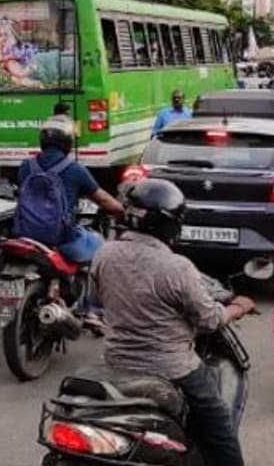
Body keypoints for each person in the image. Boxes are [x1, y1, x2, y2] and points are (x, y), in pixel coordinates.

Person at [92, 179, 254, 466]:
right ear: (169, 225)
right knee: (219, 430)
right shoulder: (176, 267)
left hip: (115, 364)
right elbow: (210, 319)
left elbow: (97, 298)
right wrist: (238, 307)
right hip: (171, 369)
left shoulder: (104, 254)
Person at [14, 119, 125, 263]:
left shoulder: (26, 166)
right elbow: (103, 200)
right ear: (68, 142)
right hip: (62, 239)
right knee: (100, 245)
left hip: (24, 235)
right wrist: (123, 211)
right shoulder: (74, 169)